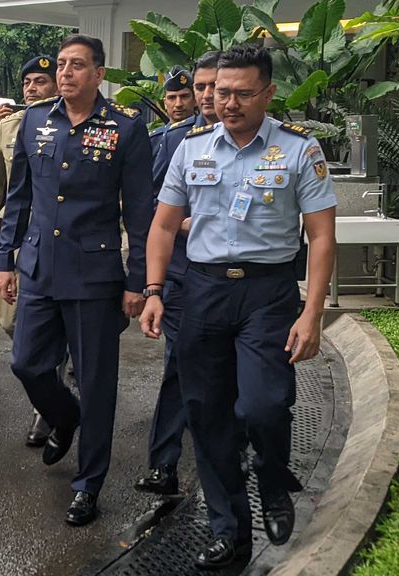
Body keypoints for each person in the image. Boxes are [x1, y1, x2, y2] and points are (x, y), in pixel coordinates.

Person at [139, 45, 337, 569]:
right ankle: (231, 531)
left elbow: (320, 237)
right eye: (220, 91)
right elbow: (162, 225)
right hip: (201, 291)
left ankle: (272, 477)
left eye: (242, 93)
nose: (227, 103)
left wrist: (312, 313)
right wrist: (155, 290)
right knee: (206, 415)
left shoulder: (299, 150)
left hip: (267, 294)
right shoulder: (192, 147)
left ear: (268, 94)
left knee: (262, 405)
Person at [0, 34, 153, 526]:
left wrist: (139, 280)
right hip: (40, 267)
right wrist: (5, 258)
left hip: (95, 274)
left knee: (96, 382)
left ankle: (89, 484)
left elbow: (141, 212)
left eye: (77, 65)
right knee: (26, 364)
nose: (66, 73)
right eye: (62, 65)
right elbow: (18, 195)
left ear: (99, 74)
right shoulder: (35, 120)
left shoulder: (126, 128)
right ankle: (65, 417)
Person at [0, 54, 59, 444]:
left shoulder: (71, 125)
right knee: (11, 320)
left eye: (40, 81)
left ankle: (47, 407)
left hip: (59, 237)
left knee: (49, 321)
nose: (31, 87)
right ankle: (53, 375)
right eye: (27, 82)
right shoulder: (10, 126)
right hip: (18, 235)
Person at [133, 64, 202, 495]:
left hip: (238, 281)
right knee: (178, 367)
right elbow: (152, 211)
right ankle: (164, 463)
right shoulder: (173, 140)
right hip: (182, 272)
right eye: (202, 88)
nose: (206, 96)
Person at [191, 51, 222, 126]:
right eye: (200, 88)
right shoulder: (178, 135)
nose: (207, 95)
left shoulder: (251, 130)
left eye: (214, 86)